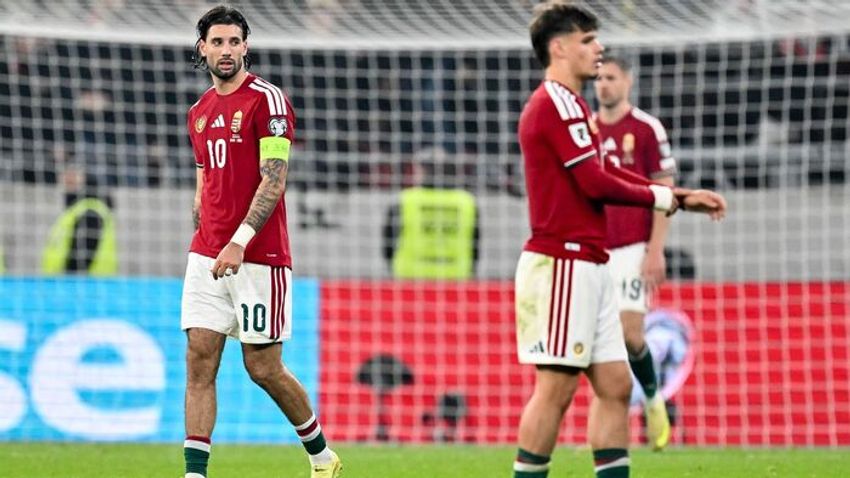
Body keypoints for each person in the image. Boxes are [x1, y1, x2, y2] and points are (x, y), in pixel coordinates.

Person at [512, 3, 726, 477]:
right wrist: (666, 198)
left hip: (591, 263)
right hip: (562, 262)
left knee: (614, 385)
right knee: (556, 390)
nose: (599, 48)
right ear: (559, 47)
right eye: (588, 40)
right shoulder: (554, 104)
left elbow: (604, 170)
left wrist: (676, 196)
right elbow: (593, 181)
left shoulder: (574, 106)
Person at [182, 6, 341, 478]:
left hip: (259, 257)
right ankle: (194, 474)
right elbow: (204, 180)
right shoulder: (198, 113)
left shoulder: (267, 101)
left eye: (234, 42)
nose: (226, 50)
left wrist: (239, 240)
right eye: (218, 42)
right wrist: (203, 220)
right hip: (206, 254)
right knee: (199, 361)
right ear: (203, 49)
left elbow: (275, 178)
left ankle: (322, 457)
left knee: (263, 367)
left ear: (245, 47)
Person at [594, 56, 675, 450]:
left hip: (631, 248)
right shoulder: (585, 130)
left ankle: (654, 399)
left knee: (630, 336)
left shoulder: (646, 129)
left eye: (611, 77)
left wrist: (655, 249)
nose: (603, 84)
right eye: (599, 78)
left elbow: (665, 190)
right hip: (593, 251)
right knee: (596, 347)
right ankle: (605, 431)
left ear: (628, 80)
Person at [383, 156, 479, 279]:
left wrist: (391, 267)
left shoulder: (405, 200)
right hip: (456, 276)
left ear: (424, 172)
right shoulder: (467, 201)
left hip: (410, 276)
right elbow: (475, 244)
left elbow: (388, 242)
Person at [42, 164, 117, 276]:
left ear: (85, 177)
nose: (66, 178)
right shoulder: (76, 209)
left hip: (84, 283)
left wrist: (69, 280)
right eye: (65, 173)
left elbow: (83, 256)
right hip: (66, 282)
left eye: (73, 174)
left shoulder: (90, 210)